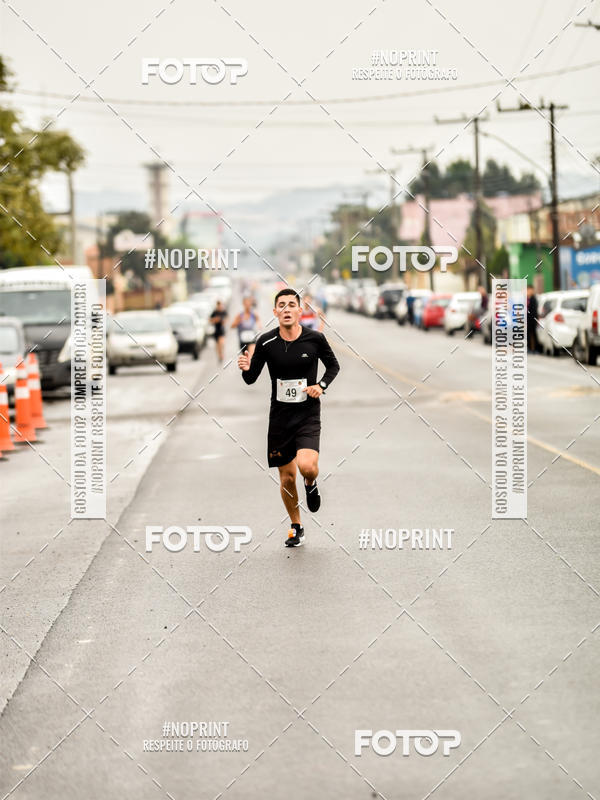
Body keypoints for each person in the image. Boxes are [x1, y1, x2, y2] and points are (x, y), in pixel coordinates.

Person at [238, 288, 340, 547]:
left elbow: (333, 366)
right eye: (281, 305)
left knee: (306, 467)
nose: (286, 309)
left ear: (299, 310)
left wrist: (322, 386)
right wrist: (245, 367)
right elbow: (251, 379)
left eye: (291, 305)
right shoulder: (266, 342)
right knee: (286, 477)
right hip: (280, 418)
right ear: (275, 312)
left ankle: (311, 482)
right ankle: (296, 525)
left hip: (307, 414)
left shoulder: (315, 339)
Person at [527, 285, 539, 353]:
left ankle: (535, 349)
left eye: (529, 290)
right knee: (528, 334)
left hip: (533, 320)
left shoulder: (533, 299)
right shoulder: (528, 298)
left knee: (533, 334)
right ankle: (530, 348)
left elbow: (534, 311)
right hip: (528, 320)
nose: (528, 292)